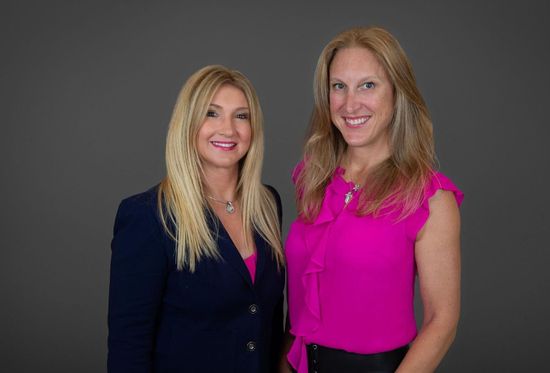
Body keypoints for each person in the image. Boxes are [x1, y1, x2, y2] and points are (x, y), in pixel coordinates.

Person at [282, 27, 463, 373]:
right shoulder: (312, 178)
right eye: (339, 87)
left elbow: (443, 322)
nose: (351, 104)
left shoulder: (431, 198)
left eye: (368, 85)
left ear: (397, 92)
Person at [107, 65, 285, 373]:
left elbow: (268, 323)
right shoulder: (148, 216)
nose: (228, 129)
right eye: (212, 113)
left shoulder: (267, 205)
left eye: (241, 116)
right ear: (188, 124)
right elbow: (128, 347)